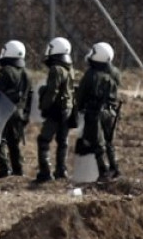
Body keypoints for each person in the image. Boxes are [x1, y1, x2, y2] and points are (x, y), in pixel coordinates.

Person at [75, 41, 121, 181]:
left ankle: (103, 171)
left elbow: (81, 95)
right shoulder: (115, 72)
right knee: (109, 142)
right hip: (111, 112)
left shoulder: (91, 74)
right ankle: (115, 168)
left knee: (98, 144)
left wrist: (79, 107)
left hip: (95, 113)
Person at [35, 37, 75, 183]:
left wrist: (44, 107)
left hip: (56, 110)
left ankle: (45, 172)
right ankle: (61, 170)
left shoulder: (56, 69)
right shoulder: (69, 68)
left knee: (43, 140)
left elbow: (53, 91)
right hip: (67, 109)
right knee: (62, 141)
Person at [0, 39, 31, 179]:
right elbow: (29, 96)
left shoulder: (4, 72)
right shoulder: (26, 74)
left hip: (3, 111)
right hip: (19, 113)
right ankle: (18, 170)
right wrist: (26, 114)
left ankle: (4, 169)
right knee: (15, 143)